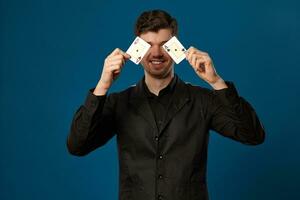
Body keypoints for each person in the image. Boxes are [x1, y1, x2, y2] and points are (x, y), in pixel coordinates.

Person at [67, 9, 265, 200]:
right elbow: (77, 145)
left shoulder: (202, 100)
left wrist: (216, 82)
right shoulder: (118, 103)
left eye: (164, 44)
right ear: (137, 48)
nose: (156, 53)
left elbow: (253, 135)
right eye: (148, 44)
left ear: (176, 46)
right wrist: (102, 85)